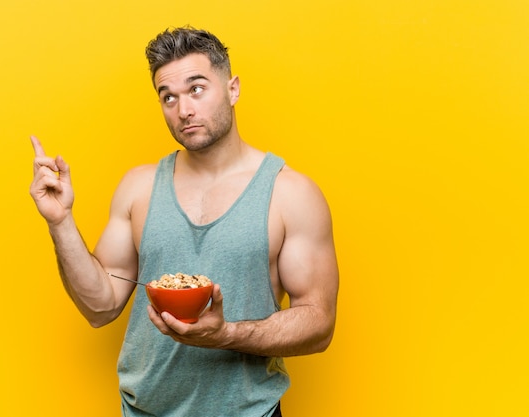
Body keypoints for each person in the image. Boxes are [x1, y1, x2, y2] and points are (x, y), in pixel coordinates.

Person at [29, 26, 339, 417]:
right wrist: (60, 222)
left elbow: (319, 323)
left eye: (197, 89)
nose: (183, 109)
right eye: (168, 97)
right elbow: (100, 306)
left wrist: (225, 335)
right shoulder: (138, 188)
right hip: (143, 411)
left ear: (233, 89)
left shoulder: (290, 193)